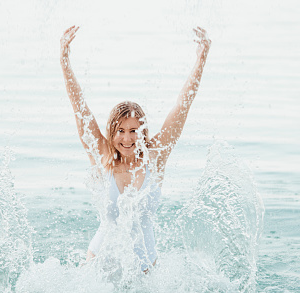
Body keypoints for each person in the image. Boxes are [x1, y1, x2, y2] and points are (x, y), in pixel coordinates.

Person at [60, 25, 211, 272]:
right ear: (111, 133)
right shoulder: (102, 156)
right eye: (120, 131)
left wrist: (201, 57)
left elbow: (182, 105)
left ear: (143, 132)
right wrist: (64, 60)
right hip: (98, 266)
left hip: (144, 270)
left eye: (133, 131)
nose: (128, 139)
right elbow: (79, 106)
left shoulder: (155, 158)